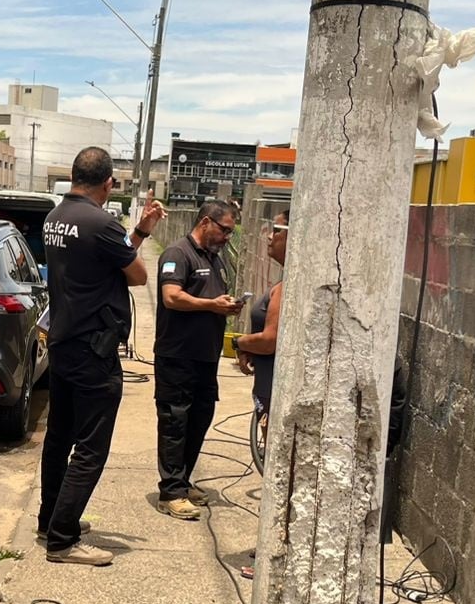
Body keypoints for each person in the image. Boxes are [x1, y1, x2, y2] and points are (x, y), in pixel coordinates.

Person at [37, 147, 167, 566]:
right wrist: (138, 235)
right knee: (91, 447)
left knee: (59, 437)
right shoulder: (101, 223)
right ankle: (63, 539)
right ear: (109, 184)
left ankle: (51, 520)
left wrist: (139, 231)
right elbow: (137, 275)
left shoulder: (55, 218)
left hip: (62, 341)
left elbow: (106, 262)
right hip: (93, 350)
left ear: (75, 175)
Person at [153, 200, 243, 520]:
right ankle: (170, 492)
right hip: (177, 356)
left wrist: (227, 306)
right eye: (225, 230)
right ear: (205, 222)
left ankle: (182, 480)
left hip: (205, 357)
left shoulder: (215, 259)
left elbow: (210, 298)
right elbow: (171, 297)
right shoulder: (178, 254)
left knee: (199, 419)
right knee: (175, 422)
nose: (228, 237)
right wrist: (212, 305)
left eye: (231, 232)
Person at [234, 208, 289, 578]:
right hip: (268, 390)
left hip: (277, 393)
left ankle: (275, 555)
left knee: (280, 475)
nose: (270, 235)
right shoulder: (284, 282)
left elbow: (271, 339)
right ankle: (273, 546)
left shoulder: (289, 287)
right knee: (275, 472)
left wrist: (241, 342)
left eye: (278, 229)